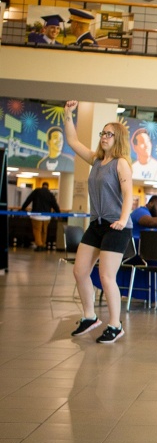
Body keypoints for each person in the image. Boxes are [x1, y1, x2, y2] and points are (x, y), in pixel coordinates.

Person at [63, 100, 133, 344]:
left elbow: (128, 195)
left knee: (106, 277)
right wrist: (68, 114)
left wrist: (123, 220)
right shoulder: (95, 160)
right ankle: (90, 316)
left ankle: (115, 324)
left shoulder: (121, 163)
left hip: (117, 225)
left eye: (109, 134)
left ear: (118, 138)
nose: (104, 137)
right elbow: (72, 142)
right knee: (80, 270)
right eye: (103, 133)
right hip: (97, 223)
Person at [20, 182, 60, 250]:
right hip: (47, 216)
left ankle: (39, 245)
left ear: (42, 186)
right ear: (48, 186)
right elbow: (54, 204)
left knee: (37, 230)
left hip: (36, 215)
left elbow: (28, 199)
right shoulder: (50, 194)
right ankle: (43, 245)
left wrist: (23, 208)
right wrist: (59, 213)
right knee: (44, 231)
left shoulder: (36, 191)